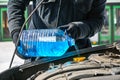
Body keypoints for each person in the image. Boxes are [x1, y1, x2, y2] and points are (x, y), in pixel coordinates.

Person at [7, 0, 106, 59]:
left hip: (77, 54)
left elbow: (97, 20)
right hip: (38, 52)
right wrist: (16, 31)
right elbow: (15, 4)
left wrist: (78, 29)